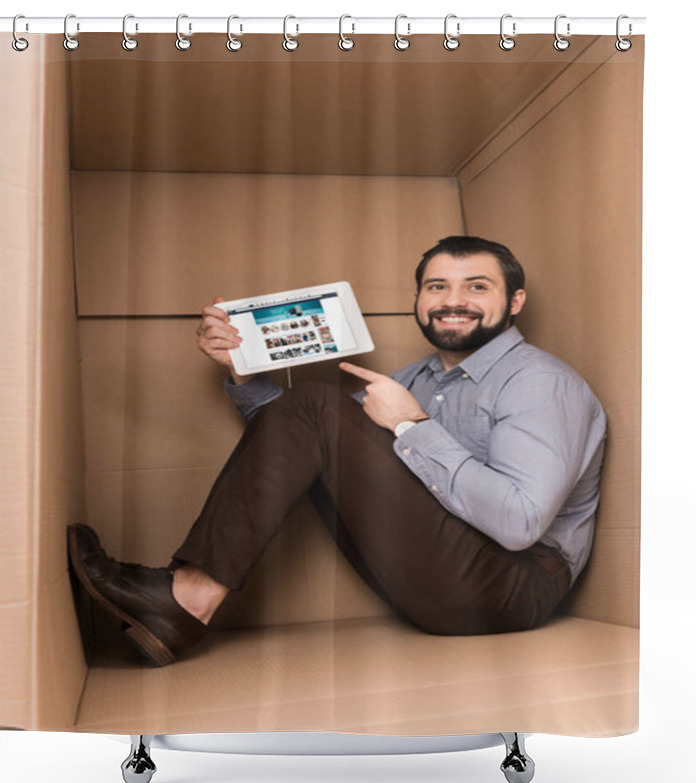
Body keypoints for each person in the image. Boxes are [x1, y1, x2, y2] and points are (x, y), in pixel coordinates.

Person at [68, 236, 607, 668]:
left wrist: (412, 425)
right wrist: (242, 364)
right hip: (433, 577)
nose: (453, 300)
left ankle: (186, 597)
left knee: (317, 404)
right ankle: (183, 599)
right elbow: (299, 445)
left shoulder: (540, 383)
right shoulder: (414, 378)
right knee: (313, 408)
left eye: (477, 286)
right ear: (419, 301)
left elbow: (520, 523)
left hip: (511, 588)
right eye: (436, 286)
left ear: (514, 302)